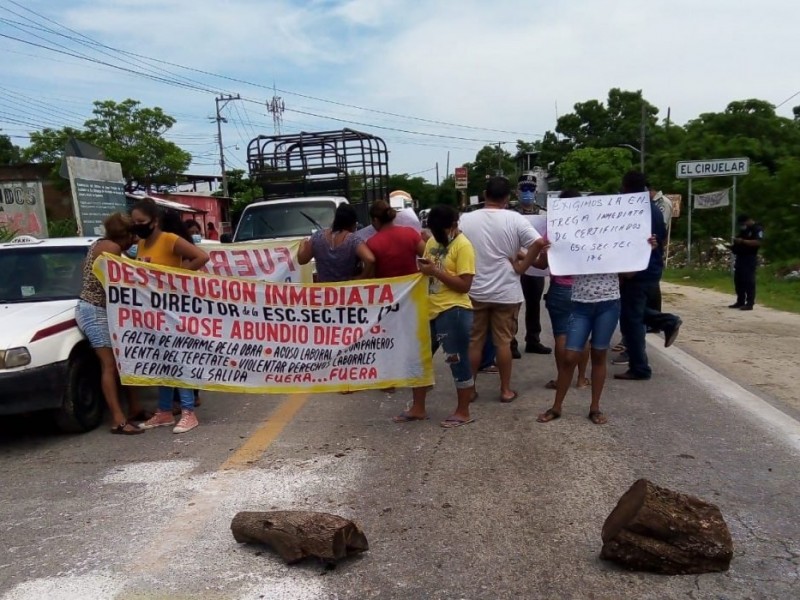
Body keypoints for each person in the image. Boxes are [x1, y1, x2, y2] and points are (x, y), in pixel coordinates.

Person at [459, 176, 546, 403]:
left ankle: (470, 389)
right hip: (506, 291)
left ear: (485, 194)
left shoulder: (465, 220)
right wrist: (521, 267)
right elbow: (538, 243)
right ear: (508, 198)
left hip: (475, 290)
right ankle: (505, 390)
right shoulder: (515, 219)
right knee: (503, 343)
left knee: (475, 342)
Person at [392, 205, 476, 428]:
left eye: (441, 231)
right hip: (429, 310)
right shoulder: (432, 242)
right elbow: (428, 271)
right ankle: (418, 408)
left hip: (454, 310)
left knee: (456, 360)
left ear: (453, 226)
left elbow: (465, 285)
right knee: (418, 359)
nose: (437, 236)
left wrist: (436, 272)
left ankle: (463, 411)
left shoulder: (463, 246)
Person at [131, 199, 210, 434]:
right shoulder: (143, 244)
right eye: (134, 222)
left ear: (154, 221)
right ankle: (164, 412)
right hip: (152, 313)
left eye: (141, 222)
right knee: (162, 362)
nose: (137, 226)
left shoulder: (169, 239)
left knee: (179, 359)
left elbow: (201, 257)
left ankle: (188, 412)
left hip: (173, 311)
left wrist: (175, 277)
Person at [74, 212, 147, 434]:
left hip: (101, 309)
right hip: (95, 311)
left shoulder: (99, 244)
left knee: (124, 360)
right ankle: (118, 418)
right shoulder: (112, 249)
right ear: (124, 235)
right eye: (132, 237)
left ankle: (134, 408)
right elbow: (120, 283)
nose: (134, 241)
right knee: (110, 365)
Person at [615, 172, 682, 382]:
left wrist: (626, 272)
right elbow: (661, 238)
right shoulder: (653, 209)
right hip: (651, 269)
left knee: (631, 319)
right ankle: (667, 321)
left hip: (637, 272)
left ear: (625, 188)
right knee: (632, 311)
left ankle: (640, 368)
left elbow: (632, 242)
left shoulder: (634, 211)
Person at [536, 190, 590, 390]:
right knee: (584, 335)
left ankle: (562, 380)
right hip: (585, 287)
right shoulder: (592, 229)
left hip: (560, 288)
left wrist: (525, 257)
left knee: (561, 334)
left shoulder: (553, 231)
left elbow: (542, 264)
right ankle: (581, 378)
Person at [511, 173, 552, 357]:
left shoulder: (544, 214)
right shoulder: (509, 214)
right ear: (517, 192)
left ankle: (533, 340)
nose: (527, 192)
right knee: (513, 305)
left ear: (536, 191)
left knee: (534, 304)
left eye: (531, 189)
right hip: (515, 264)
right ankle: (510, 342)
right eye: (524, 189)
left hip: (536, 266)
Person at [298, 203, 376, 282]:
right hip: (348, 290)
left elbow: (302, 260)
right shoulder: (353, 240)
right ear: (352, 223)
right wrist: (361, 278)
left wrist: (302, 244)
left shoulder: (317, 237)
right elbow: (370, 259)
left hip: (325, 290)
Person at [365, 199, 426, 278]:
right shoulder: (410, 233)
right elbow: (428, 257)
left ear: (375, 220)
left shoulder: (371, 243)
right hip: (412, 287)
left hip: (387, 289)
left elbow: (370, 275)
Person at [729, 214, 763, 310]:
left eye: (743, 223)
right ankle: (740, 301)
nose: (742, 225)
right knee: (739, 280)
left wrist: (743, 241)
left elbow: (758, 242)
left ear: (748, 220)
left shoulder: (757, 228)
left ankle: (750, 303)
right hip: (740, 257)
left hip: (749, 258)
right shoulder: (745, 229)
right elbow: (739, 239)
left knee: (748, 281)